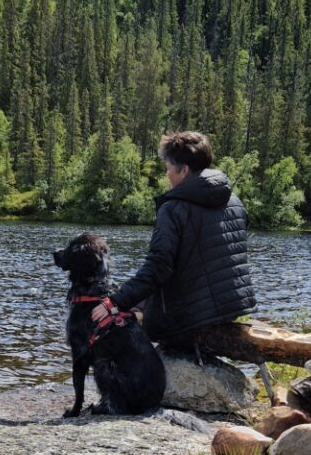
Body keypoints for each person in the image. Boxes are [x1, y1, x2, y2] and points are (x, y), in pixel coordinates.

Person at [92, 131, 257, 340]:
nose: (166, 174)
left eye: (168, 168)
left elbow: (158, 267)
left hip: (191, 320)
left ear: (184, 170)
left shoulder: (173, 209)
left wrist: (113, 302)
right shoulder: (235, 202)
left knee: (115, 319)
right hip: (232, 307)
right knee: (139, 299)